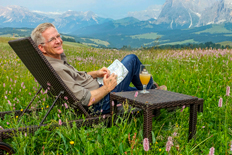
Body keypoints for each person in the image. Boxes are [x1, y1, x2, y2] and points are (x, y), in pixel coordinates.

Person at [31, 23, 166, 114]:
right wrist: (107, 88)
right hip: (102, 102)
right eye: (52, 39)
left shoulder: (53, 60)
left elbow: (75, 79)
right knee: (132, 60)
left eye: (58, 36)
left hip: (100, 88)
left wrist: (96, 73)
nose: (58, 41)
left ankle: (157, 97)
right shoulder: (57, 68)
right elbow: (86, 99)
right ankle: (155, 93)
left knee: (136, 93)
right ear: (41, 47)